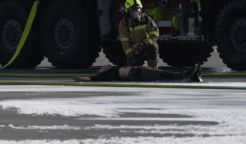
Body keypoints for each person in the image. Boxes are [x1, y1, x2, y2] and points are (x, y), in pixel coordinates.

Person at [119, 0, 159, 69]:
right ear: (128, 12)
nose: (136, 13)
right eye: (133, 10)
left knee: (152, 48)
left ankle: (154, 71)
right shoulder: (124, 24)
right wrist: (131, 55)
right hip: (134, 50)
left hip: (145, 46)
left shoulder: (146, 19)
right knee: (135, 68)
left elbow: (154, 33)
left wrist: (143, 44)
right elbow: (125, 43)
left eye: (138, 10)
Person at [74, 64, 202, 83]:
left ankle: (188, 75)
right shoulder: (104, 75)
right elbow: (91, 78)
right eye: (102, 68)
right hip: (136, 74)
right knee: (161, 75)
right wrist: (81, 79)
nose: (105, 66)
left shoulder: (113, 68)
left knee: (162, 74)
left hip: (138, 71)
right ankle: (186, 76)